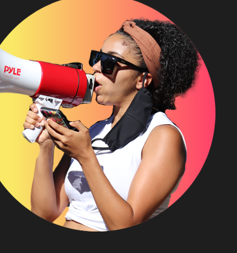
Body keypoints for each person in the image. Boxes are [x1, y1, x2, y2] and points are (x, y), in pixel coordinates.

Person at [23, 19, 199, 231]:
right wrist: (46, 146)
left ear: (143, 79)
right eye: (96, 57)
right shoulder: (95, 131)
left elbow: (126, 224)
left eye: (109, 62)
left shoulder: (162, 136)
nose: (96, 67)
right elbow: (45, 212)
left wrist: (86, 156)